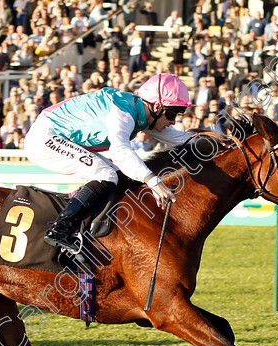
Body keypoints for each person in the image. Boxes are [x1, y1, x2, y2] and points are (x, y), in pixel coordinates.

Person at [24, 73, 191, 251]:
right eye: (172, 113)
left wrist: (215, 140)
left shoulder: (141, 111)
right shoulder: (123, 113)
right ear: (157, 107)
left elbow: (179, 138)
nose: (174, 121)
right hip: (44, 137)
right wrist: (153, 181)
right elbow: (120, 151)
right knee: (106, 174)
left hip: (57, 134)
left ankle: (91, 230)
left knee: (117, 175)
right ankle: (59, 229)